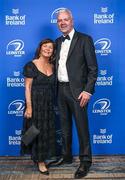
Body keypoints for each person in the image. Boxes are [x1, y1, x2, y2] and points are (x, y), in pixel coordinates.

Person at [55, 9, 98, 179]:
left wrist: (88, 90)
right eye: (59, 20)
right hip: (60, 90)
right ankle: (66, 157)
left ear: (72, 21)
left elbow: (93, 69)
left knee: (82, 128)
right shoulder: (57, 42)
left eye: (66, 19)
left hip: (78, 92)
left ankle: (85, 162)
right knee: (64, 128)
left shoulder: (85, 40)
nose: (63, 23)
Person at [21, 39, 56, 175]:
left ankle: (40, 157)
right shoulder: (31, 65)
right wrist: (29, 107)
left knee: (45, 131)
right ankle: (40, 162)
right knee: (35, 131)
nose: (48, 49)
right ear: (40, 48)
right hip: (35, 103)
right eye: (45, 46)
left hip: (48, 104)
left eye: (51, 47)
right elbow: (27, 87)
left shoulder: (53, 66)